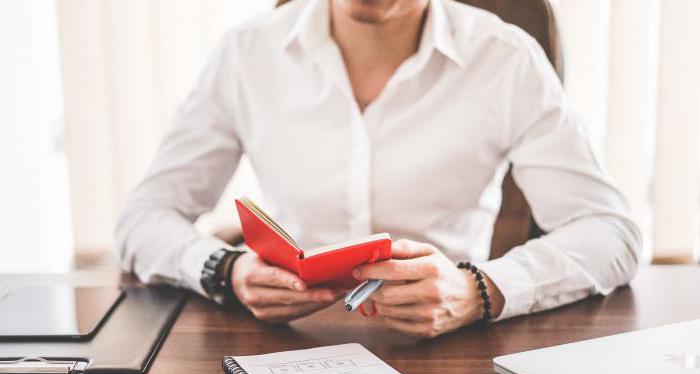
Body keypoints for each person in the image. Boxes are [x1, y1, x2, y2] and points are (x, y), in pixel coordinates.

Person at [115, 0, 641, 338]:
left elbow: (611, 234)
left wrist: (479, 289)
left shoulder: (506, 58)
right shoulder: (246, 54)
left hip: (449, 344)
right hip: (285, 342)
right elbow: (143, 219)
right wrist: (224, 271)